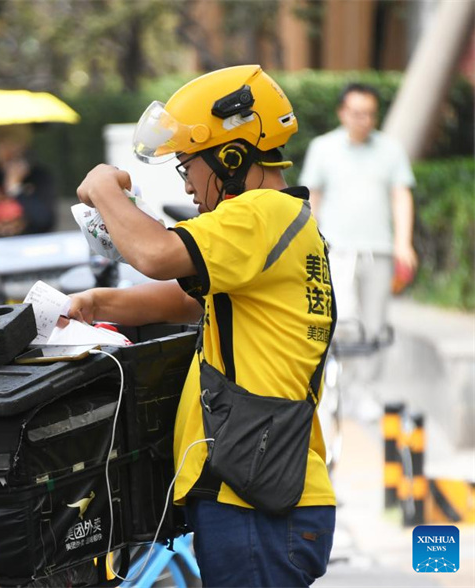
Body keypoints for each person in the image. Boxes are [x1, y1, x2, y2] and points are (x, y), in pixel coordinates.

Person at [67, 65, 336, 587]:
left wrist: (104, 189)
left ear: (231, 155)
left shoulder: (260, 212)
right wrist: (97, 301)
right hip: (263, 492)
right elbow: (187, 301)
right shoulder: (283, 221)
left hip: (254, 501)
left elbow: (154, 252)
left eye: (187, 166)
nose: (187, 185)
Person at [299, 83, 417, 345]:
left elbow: (401, 196)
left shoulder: (392, 149)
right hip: (336, 250)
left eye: (369, 113)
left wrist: (403, 243)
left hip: (379, 251)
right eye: (357, 113)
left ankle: (367, 385)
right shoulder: (322, 147)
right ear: (342, 112)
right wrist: (309, 243)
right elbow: (313, 198)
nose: (363, 120)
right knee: (341, 321)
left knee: (375, 327)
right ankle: (339, 383)